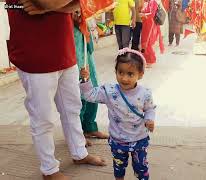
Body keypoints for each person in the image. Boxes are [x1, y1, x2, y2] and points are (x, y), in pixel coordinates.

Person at [7, 0, 106, 179]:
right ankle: (49, 170)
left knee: (72, 109)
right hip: (35, 55)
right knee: (43, 118)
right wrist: (57, 5)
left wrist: (51, 7)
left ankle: (79, 153)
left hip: (65, 51)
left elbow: (76, 4)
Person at [80, 48, 156, 180]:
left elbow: (150, 108)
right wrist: (86, 80)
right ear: (115, 71)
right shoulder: (109, 92)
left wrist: (149, 119)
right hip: (118, 141)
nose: (124, 78)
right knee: (119, 168)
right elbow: (90, 95)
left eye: (130, 74)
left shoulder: (145, 93)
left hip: (139, 139)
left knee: (142, 168)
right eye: (120, 72)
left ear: (141, 74)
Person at [73, 12, 108, 146]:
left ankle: (90, 127)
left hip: (85, 45)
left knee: (92, 87)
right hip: (74, 46)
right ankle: (77, 133)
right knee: (79, 92)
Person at [140, 0, 165, 68]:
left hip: (150, 25)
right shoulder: (148, 2)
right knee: (144, 42)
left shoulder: (153, 2)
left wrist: (143, 14)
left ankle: (151, 61)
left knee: (147, 43)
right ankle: (146, 59)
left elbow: (152, 14)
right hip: (146, 24)